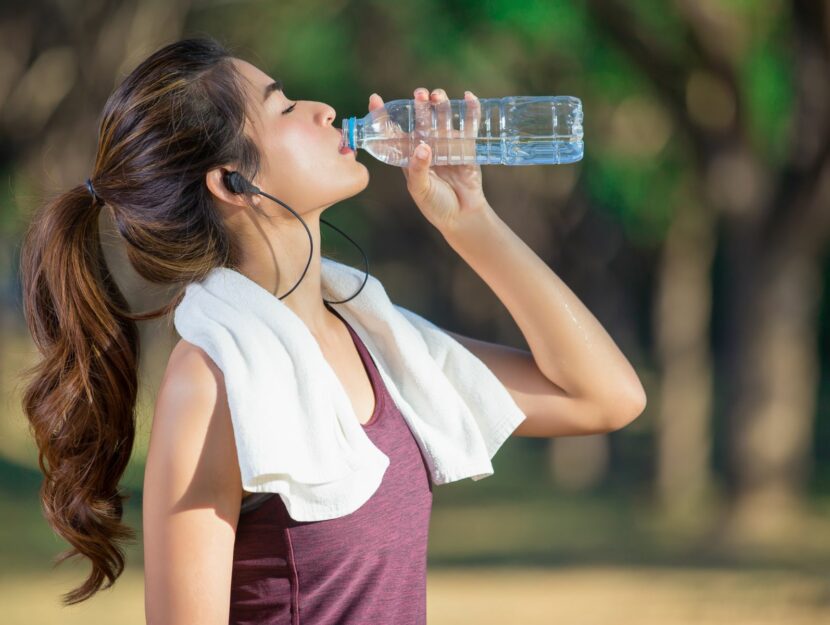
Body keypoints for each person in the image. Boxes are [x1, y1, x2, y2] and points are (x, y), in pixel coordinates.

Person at [18, 34, 646, 624]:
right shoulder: (212, 378)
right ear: (233, 183)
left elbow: (606, 396)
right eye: (284, 106)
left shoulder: (378, 341)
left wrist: (470, 221)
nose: (322, 110)